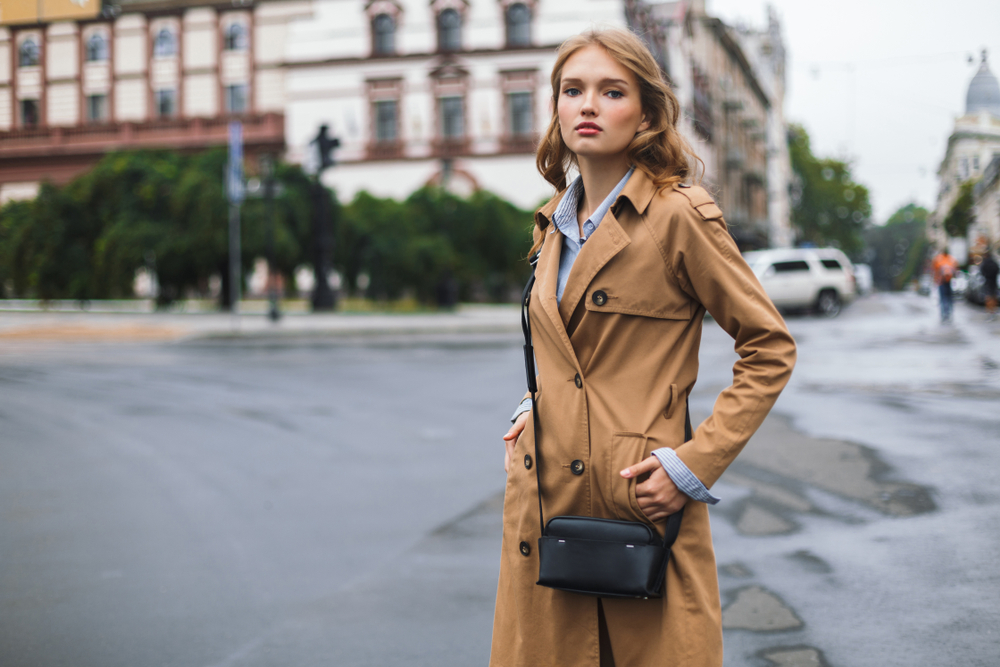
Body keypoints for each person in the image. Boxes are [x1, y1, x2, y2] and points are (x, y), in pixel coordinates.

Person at [491, 29, 797, 667]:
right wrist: (531, 405)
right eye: (572, 91)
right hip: (543, 508)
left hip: (639, 508)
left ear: (649, 113)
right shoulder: (552, 224)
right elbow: (568, 355)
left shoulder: (678, 214)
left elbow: (769, 346)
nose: (588, 106)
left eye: (611, 91)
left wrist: (692, 467)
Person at [931, 247, 959, 323]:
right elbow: (955, 270)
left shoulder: (938, 259)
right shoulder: (951, 259)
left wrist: (935, 280)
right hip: (947, 281)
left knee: (943, 299)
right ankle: (948, 314)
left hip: (942, 282)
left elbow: (935, 271)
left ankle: (944, 315)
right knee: (949, 299)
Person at [980, 248, 999, 320]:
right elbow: (997, 270)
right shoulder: (994, 262)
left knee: (988, 297)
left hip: (987, 281)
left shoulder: (985, 263)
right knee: (994, 296)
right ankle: (993, 311)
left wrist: (986, 276)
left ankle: (989, 312)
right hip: (994, 281)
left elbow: (982, 272)